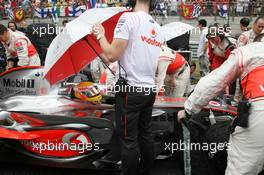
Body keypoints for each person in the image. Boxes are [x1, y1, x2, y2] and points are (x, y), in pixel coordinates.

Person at [91, 0, 165, 174]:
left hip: (131, 90)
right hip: (148, 89)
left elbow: (111, 55)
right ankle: (145, 171)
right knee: (145, 134)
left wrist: (100, 34)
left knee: (129, 140)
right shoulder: (158, 27)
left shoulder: (128, 18)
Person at [178, 33, 264, 175]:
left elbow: (212, 83)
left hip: (259, 109)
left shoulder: (250, 50)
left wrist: (188, 109)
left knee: (241, 169)